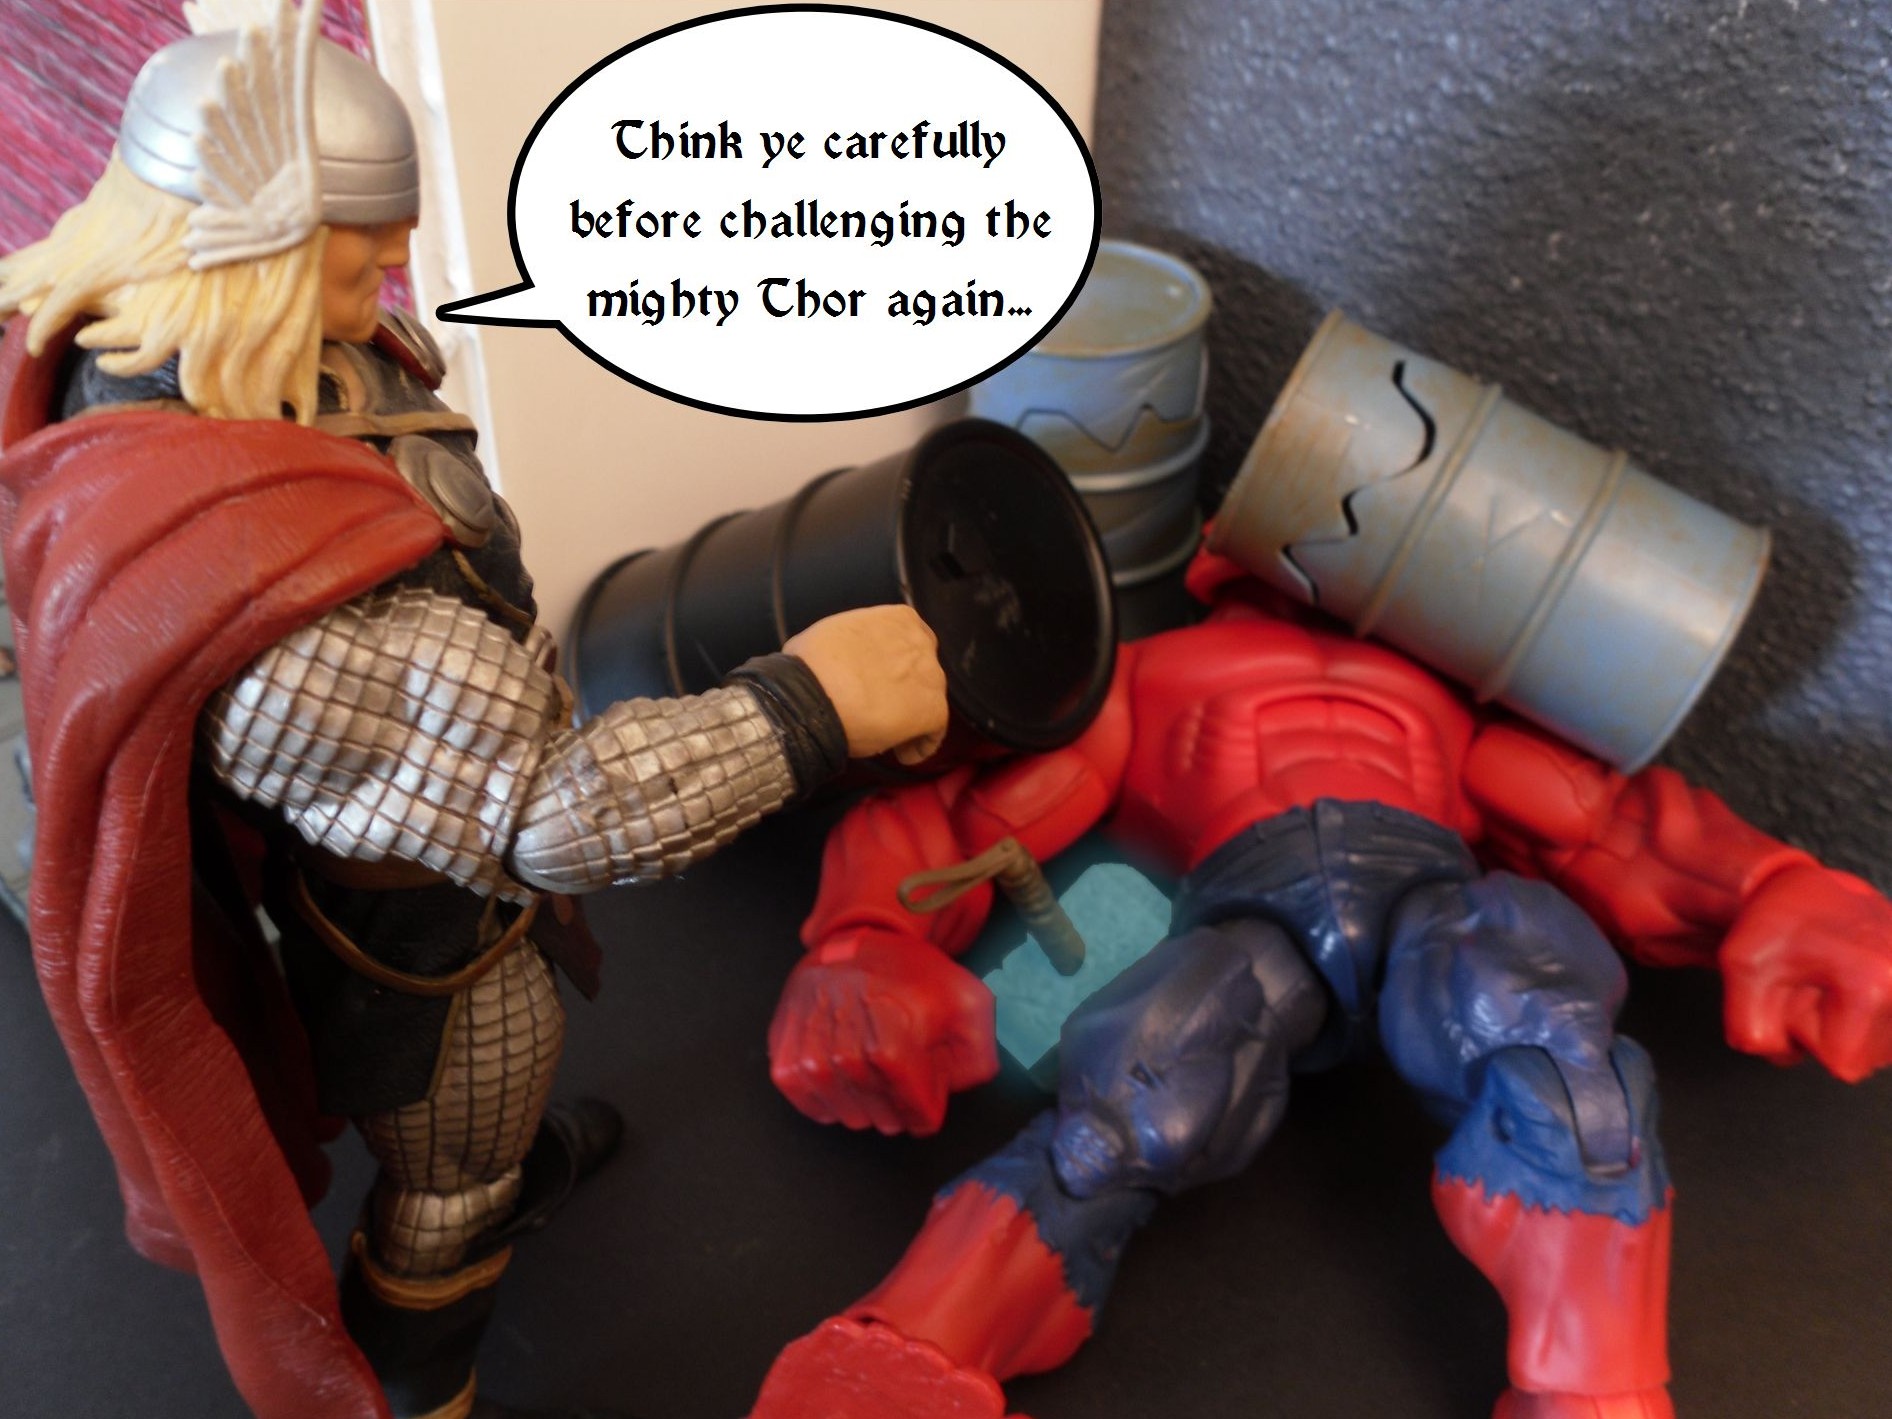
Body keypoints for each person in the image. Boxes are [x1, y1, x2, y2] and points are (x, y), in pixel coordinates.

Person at [0, 5, 947, 1419]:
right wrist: (814, 705)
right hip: (417, 938)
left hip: (444, 834)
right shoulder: (249, 577)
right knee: (450, 1175)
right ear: (245, 249)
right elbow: (553, 813)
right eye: (354, 254)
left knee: (495, 1109)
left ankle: (500, 1176)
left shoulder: (224, 365)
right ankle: (424, 1366)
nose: (386, 279)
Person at [752, 539, 1892, 1419]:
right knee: (1137, 1090)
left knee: (1551, 1048)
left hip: (1435, 910)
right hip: (1248, 922)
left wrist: (1772, 886)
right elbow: (967, 816)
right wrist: (863, 940)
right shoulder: (1146, 676)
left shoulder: (1452, 689)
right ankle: (913, 1350)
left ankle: (1594, 1388)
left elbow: (1606, 826)